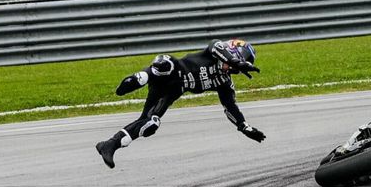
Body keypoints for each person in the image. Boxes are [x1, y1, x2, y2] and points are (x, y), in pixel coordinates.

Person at [95, 39, 266, 169]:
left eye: (236, 70)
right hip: (171, 69)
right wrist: (237, 62)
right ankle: (137, 79)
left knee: (150, 123)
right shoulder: (216, 49)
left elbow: (230, 107)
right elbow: (216, 47)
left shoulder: (225, 83)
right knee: (164, 65)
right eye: (234, 65)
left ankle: (109, 145)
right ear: (232, 52)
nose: (233, 70)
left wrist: (244, 127)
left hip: (170, 92)